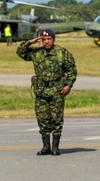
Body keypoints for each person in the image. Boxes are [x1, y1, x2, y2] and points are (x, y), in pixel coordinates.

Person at [17, 28, 77, 156]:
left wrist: (68, 85)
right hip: (41, 92)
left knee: (56, 119)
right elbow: (20, 52)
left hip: (57, 91)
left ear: (53, 40)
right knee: (42, 119)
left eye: (49, 39)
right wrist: (30, 42)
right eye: (44, 39)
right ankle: (46, 147)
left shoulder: (62, 53)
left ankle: (55, 147)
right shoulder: (37, 53)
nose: (47, 42)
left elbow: (71, 69)